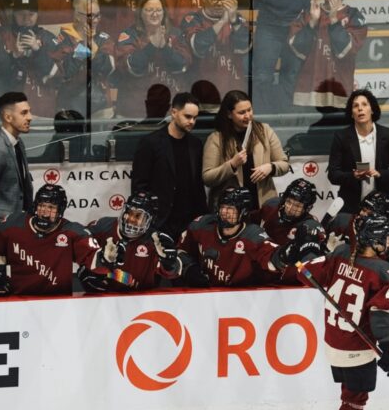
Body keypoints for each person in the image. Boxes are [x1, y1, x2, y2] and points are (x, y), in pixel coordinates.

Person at [296, 214, 389, 410]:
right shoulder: (384, 271)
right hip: (357, 346)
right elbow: (379, 314)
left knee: (350, 391)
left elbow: (304, 272)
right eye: (385, 238)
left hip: (333, 342)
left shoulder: (342, 253)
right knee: (355, 396)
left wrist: (305, 252)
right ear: (374, 242)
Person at [175, 187, 315, 287]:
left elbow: (271, 259)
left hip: (241, 299)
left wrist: (285, 254)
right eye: (223, 207)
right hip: (206, 296)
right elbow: (180, 251)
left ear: (242, 213)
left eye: (231, 209)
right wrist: (189, 268)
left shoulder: (253, 236)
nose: (225, 212)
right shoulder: (202, 225)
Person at [0, 184, 113, 296]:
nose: (45, 212)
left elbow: (94, 262)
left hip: (59, 303)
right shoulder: (12, 224)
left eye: (51, 207)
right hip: (18, 301)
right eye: (42, 205)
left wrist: (105, 258)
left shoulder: (72, 232)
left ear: (61, 210)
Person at [131, 92, 207, 240]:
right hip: (159, 221)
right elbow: (139, 186)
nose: (192, 121)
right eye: (187, 116)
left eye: (195, 118)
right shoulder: (150, 143)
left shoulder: (196, 144)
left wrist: (201, 219)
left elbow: (198, 186)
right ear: (174, 112)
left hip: (189, 221)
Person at [289, 0, 367, 109]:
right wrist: (311, 23)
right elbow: (296, 49)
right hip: (308, 91)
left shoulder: (354, 15)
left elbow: (348, 51)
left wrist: (334, 20)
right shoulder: (309, 12)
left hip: (339, 88)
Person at [202, 90, 289, 210]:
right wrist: (232, 164)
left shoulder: (265, 131)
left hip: (263, 205)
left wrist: (270, 167)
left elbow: (284, 164)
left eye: (250, 110)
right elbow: (207, 178)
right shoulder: (216, 139)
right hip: (231, 210)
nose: (248, 116)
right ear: (229, 114)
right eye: (242, 112)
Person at [113, 0, 192, 118]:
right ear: (140, 13)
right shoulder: (129, 35)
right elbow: (130, 67)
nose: (155, 14)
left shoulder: (175, 34)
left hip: (169, 110)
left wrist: (165, 48)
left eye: (158, 10)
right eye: (149, 10)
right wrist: (152, 46)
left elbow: (182, 65)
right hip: (136, 111)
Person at [85, 191, 181, 292]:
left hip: (141, 301)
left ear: (150, 220)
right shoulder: (103, 227)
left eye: (138, 216)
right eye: (129, 213)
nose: (131, 219)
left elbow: (172, 272)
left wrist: (169, 264)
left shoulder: (156, 241)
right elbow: (81, 251)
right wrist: (86, 270)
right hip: (104, 299)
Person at [328, 89, 389, 214]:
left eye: (364, 104)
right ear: (351, 113)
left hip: (382, 204)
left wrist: (379, 174)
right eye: (355, 106)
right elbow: (333, 175)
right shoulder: (341, 137)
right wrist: (353, 176)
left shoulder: (388, 135)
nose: (360, 109)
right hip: (350, 204)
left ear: (372, 109)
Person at [179, 0, 251, 98]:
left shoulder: (237, 19)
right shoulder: (192, 19)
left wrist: (234, 21)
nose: (219, 3)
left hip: (233, 92)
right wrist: (222, 21)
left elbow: (244, 47)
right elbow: (198, 46)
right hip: (202, 92)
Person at [49, 0, 116, 119]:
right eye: (91, 16)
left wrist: (91, 44)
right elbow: (65, 72)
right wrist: (84, 47)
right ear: (78, 16)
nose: (95, 20)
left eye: (98, 15)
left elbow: (107, 68)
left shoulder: (104, 39)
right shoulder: (62, 39)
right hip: (69, 106)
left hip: (100, 106)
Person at [0, 0, 58, 118]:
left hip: (42, 108)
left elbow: (56, 77)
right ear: (14, 14)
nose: (26, 19)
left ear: (37, 15)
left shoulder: (48, 38)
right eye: (21, 14)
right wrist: (15, 56)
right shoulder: (3, 37)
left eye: (31, 14)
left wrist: (38, 50)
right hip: (9, 109)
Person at [0, 92, 34, 233]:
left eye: (29, 112)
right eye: (24, 113)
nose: (30, 117)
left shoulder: (18, 143)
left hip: (17, 227)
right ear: (8, 117)